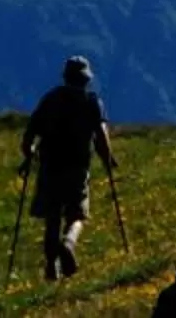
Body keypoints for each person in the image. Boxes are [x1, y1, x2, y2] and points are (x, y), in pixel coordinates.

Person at [19, 55, 116, 280]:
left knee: (52, 217)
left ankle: (52, 268)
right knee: (77, 214)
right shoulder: (92, 102)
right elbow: (101, 135)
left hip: (50, 166)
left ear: (65, 77)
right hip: (77, 166)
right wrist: (108, 159)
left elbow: (30, 133)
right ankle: (69, 242)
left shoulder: (51, 99)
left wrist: (29, 153)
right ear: (86, 79)